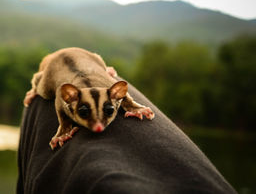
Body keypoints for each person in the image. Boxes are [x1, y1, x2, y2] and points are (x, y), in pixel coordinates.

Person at [17, 82, 236, 194]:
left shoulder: (116, 93)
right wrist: (63, 126)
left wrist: (132, 105)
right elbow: (59, 100)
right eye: (84, 113)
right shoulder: (66, 98)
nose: (99, 126)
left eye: (109, 111)